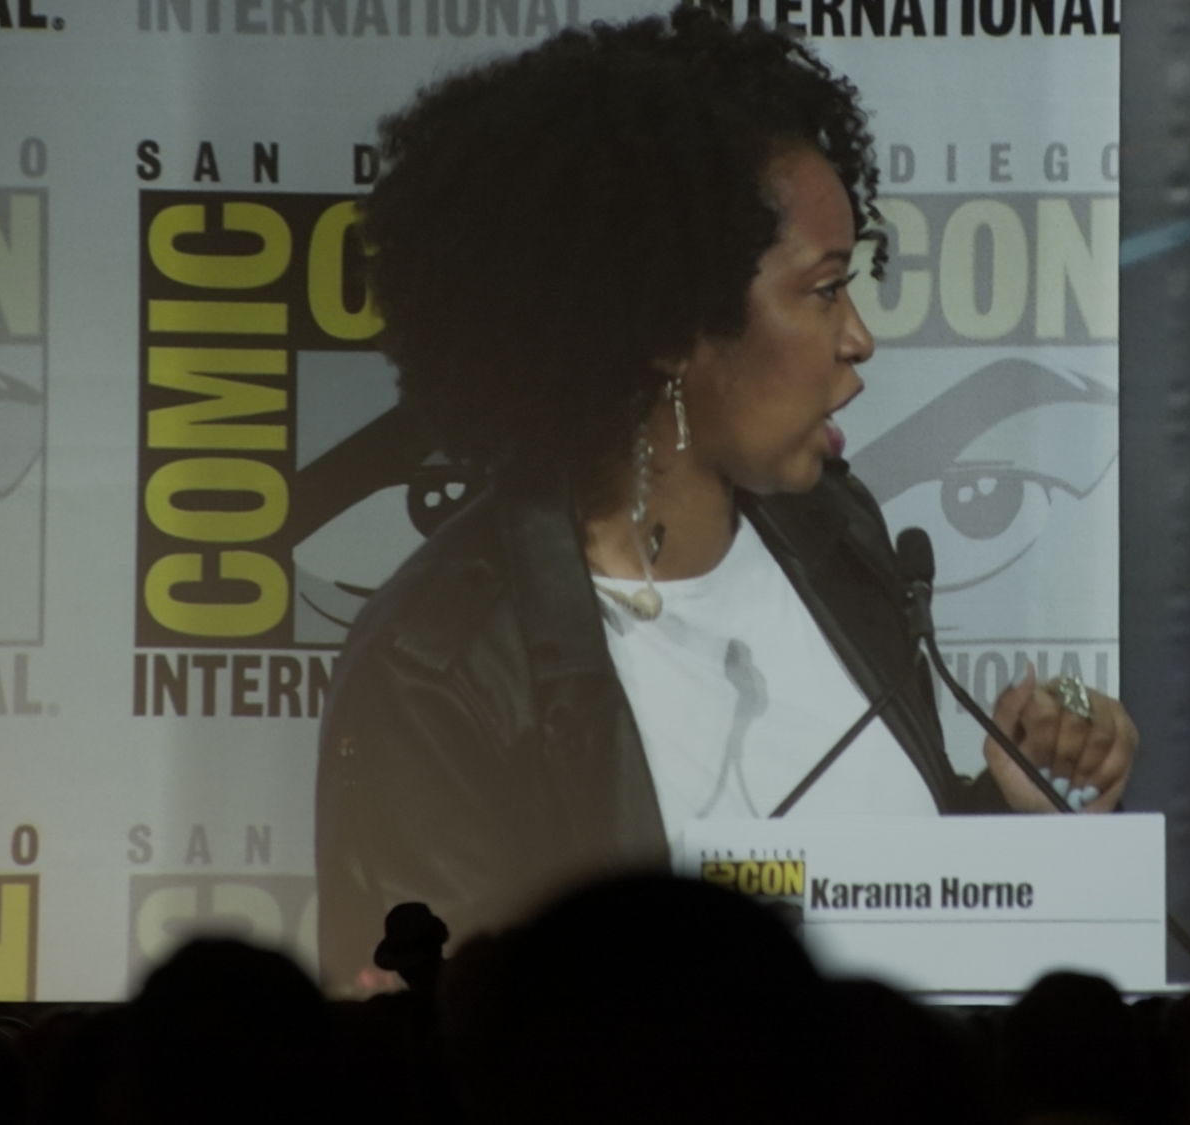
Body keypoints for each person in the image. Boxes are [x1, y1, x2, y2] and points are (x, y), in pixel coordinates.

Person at [315, 7, 1139, 988]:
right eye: (823, 290)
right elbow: (452, 1042)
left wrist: (1022, 816)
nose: (858, 337)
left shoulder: (836, 533)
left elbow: (893, 913)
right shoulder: (437, 673)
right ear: (670, 324)